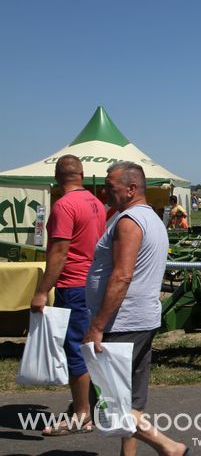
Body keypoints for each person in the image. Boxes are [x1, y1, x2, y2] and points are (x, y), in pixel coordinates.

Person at [83, 161, 186, 455]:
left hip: (122, 323)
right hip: (139, 320)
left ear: (130, 189)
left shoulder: (128, 222)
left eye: (111, 187)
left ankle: (169, 447)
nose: (105, 191)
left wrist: (98, 325)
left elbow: (122, 275)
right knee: (129, 403)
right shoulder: (150, 218)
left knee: (108, 406)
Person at [29, 155, 105, 435]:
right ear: (82, 175)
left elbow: (59, 253)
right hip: (93, 283)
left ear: (57, 178)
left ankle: (82, 414)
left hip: (72, 284)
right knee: (88, 346)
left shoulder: (64, 205)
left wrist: (41, 291)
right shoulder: (96, 203)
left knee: (75, 349)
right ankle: (84, 407)